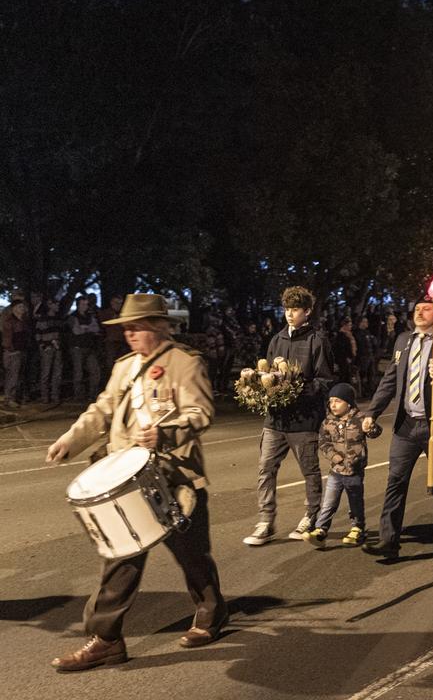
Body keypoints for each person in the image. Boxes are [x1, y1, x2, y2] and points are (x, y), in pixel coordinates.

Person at [45, 294, 226, 671]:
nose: (128, 334)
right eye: (125, 328)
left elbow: (201, 412)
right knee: (121, 556)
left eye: (136, 327)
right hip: (131, 478)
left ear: (158, 327)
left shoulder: (184, 362)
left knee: (192, 553)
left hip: (173, 476)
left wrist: (167, 433)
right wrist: (70, 440)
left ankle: (211, 613)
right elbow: (102, 409)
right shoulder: (125, 367)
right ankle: (107, 639)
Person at [360, 295, 433, 560]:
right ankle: (388, 540)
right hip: (407, 425)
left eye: (426, 309)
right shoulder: (403, 340)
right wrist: (372, 412)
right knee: (395, 481)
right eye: (417, 308)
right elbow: (390, 380)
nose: (419, 312)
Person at [243, 286, 336, 546]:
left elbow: (325, 380)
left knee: (309, 470)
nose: (289, 314)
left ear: (307, 311)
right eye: (286, 309)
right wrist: (264, 389)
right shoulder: (277, 340)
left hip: (304, 419)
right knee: (265, 469)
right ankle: (265, 521)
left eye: (295, 309)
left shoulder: (317, 340)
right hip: (275, 419)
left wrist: (296, 389)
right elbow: (270, 373)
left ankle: (311, 516)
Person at [306, 382, 381, 548]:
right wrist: (334, 456)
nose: (333, 405)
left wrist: (371, 427)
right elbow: (323, 442)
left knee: (355, 502)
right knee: (329, 503)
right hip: (336, 471)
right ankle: (320, 530)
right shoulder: (327, 422)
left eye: (338, 401)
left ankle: (358, 529)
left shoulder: (360, 418)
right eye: (331, 401)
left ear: (348, 403)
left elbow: (376, 432)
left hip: (354, 471)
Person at [31, 291, 64, 404]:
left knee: (57, 373)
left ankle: (55, 396)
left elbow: (61, 333)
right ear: (50, 305)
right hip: (47, 348)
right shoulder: (43, 319)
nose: (58, 306)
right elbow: (38, 334)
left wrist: (58, 344)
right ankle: (45, 396)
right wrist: (44, 345)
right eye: (56, 304)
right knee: (46, 372)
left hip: (57, 348)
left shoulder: (58, 319)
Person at [67, 295, 103, 399]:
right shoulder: (73, 317)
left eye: (86, 304)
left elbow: (96, 328)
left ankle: (93, 394)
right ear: (78, 305)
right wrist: (89, 329)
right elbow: (76, 331)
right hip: (77, 347)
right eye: (83, 304)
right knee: (78, 372)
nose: (85, 307)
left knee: (95, 370)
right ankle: (78, 395)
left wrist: (84, 328)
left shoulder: (89, 316)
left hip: (89, 347)